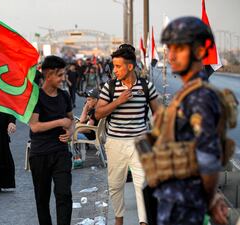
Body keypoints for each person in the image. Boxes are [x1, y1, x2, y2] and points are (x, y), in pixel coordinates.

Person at [151, 16, 229, 225]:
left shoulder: (200, 97)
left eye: (180, 48)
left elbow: (208, 158)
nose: (172, 55)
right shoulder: (188, 93)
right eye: (170, 48)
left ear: (200, 52)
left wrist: (211, 199)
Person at [95, 44, 160, 225]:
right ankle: (119, 220)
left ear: (130, 66)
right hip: (115, 142)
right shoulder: (110, 87)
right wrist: (118, 101)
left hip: (140, 142)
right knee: (116, 185)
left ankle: (143, 222)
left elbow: (159, 114)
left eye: (118, 66)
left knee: (142, 185)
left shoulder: (146, 86)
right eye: (113, 66)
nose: (114, 70)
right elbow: (98, 113)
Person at [29, 55, 74, 225]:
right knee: (42, 199)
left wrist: (70, 131)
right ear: (48, 75)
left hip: (61, 152)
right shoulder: (36, 97)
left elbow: (71, 120)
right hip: (40, 154)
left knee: (64, 194)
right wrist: (60, 122)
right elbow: (34, 126)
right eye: (60, 75)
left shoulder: (64, 96)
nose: (64, 79)